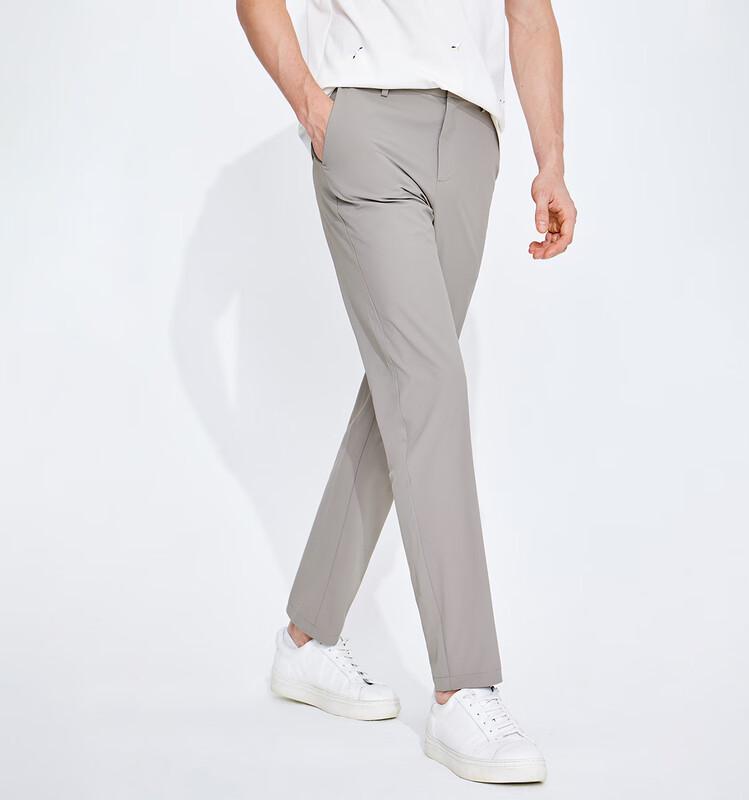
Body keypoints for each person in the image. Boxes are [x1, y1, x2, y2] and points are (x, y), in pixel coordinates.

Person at [236, 0, 576, 783]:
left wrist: (550, 160)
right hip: (366, 124)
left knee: (405, 394)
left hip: (472, 141)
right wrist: (311, 105)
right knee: (428, 385)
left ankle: (305, 640)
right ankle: (463, 687)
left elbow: (530, 17)